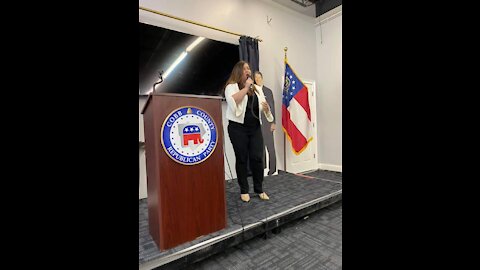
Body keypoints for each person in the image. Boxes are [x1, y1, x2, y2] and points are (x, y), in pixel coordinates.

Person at [224, 61, 274, 202]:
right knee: (242, 159)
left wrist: (267, 110)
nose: (248, 70)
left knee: (257, 158)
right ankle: (244, 190)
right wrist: (246, 87)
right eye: (245, 68)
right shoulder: (231, 87)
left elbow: (265, 110)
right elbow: (233, 104)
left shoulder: (257, 89)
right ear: (239, 71)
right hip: (237, 128)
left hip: (255, 128)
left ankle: (259, 189)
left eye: (249, 68)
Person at [254, 71, 277, 176]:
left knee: (270, 147)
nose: (258, 80)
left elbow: (272, 108)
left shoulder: (268, 91)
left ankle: (273, 169)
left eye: (259, 78)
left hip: (268, 122)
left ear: (262, 78)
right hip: (257, 123)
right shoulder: (253, 91)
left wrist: (273, 122)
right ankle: (262, 170)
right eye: (256, 78)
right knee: (260, 147)